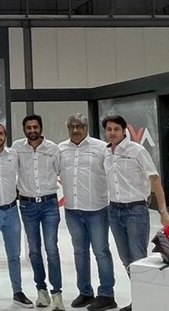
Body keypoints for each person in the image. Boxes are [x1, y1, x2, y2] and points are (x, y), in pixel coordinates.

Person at [102, 114, 169, 311]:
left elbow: (155, 179)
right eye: (109, 129)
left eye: (116, 129)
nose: (112, 133)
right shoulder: (106, 153)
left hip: (135, 211)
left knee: (138, 258)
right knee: (125, 258)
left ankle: (145, 303)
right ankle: (141, 299)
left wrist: (163, 211)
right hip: (114, 211)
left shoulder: (137, 151)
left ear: (124, 130)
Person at [58, 114, 116, 311]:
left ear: (86, 127)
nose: (75, 130)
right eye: (72, 126)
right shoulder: (61, 149)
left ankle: (107, 294)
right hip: (72, 210)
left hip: (97, 209)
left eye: (80, 126)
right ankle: (85, 292)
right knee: (80, 252)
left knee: (101, 251)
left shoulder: (101, 148)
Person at [13, 115, 63, 311]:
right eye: (29, 127)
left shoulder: (53, 148)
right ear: (24, 129)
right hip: (27, 205)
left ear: (41, 128)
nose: (32, 130)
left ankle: (57, 294)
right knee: (34, 250)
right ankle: (41, 290)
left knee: (52, 249)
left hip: (49, 204)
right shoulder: (17, 148)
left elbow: (59, 171)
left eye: (35, 127)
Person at [0, 122, 33, 309]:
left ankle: (17, 292)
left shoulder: (13, 154)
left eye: (0, 133)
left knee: (14, 255)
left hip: (11, 211)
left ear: (5, 136)